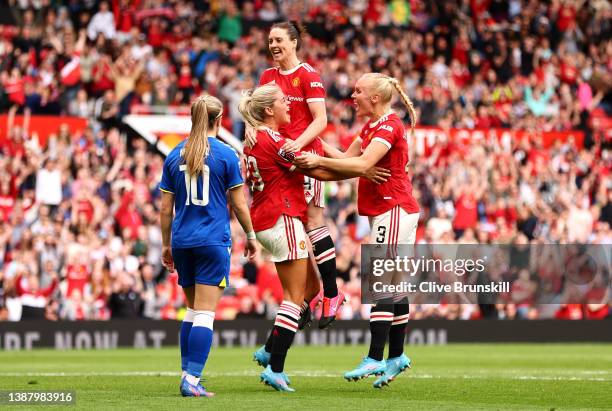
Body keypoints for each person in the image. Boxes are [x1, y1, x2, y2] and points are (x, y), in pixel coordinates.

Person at [239, 84, 388, 392]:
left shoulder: (256, 139)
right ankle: (275, 368)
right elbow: (318, 172)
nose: (288, 105)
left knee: (311, 288)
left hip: (267, 220)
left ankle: (270, 349)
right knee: (294, 299)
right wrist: (359, 170)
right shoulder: (277, 142)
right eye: (282, 101)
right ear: (269, 110)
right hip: (284, 219)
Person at [295, 73, 420, 389]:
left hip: (393, 208)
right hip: (392, 210)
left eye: (358, 91)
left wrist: (319, 160)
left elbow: (362, 164)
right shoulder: (371, 128)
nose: (353, 95)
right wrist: (316, 148)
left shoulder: (390, 126)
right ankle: (397, 356)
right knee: (395, 283)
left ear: (375, 98)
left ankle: (376, 356)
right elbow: (345, 163)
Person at [248, 21, 344, 329]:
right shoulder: (267, 77)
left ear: (293, 43)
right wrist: (251, 129)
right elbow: (254, 112)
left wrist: (297, 145)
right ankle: (302, 300)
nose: (273, 45)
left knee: (313, 222)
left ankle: (331, 294)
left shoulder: (308, 75)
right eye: (269, 40)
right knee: (292, 236)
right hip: (279, 162)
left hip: (304, 156)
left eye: (278, 39)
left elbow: (321, 120)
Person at [160, 94, 257, 398]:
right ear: (219, 120)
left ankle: (187, 373)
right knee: (205, 313)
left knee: (191, 310)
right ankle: (191, 379)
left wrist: (166, 245)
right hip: (213, 241)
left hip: (182, 241)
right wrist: (251, 236)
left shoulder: (174, 154)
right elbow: (240, 205)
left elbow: (165, 210)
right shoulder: (227, 155)